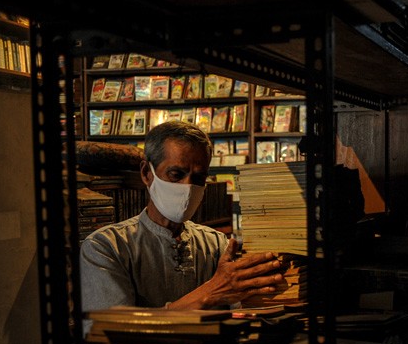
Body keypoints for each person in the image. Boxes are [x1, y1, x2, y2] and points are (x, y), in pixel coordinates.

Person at [79, 120, 284, 329]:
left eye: (198, 177)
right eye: (176, 174)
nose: (187, 187)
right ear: (146, 174)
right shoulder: (106, 247)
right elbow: (110, 333)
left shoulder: (216, 245)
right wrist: (211, 292)